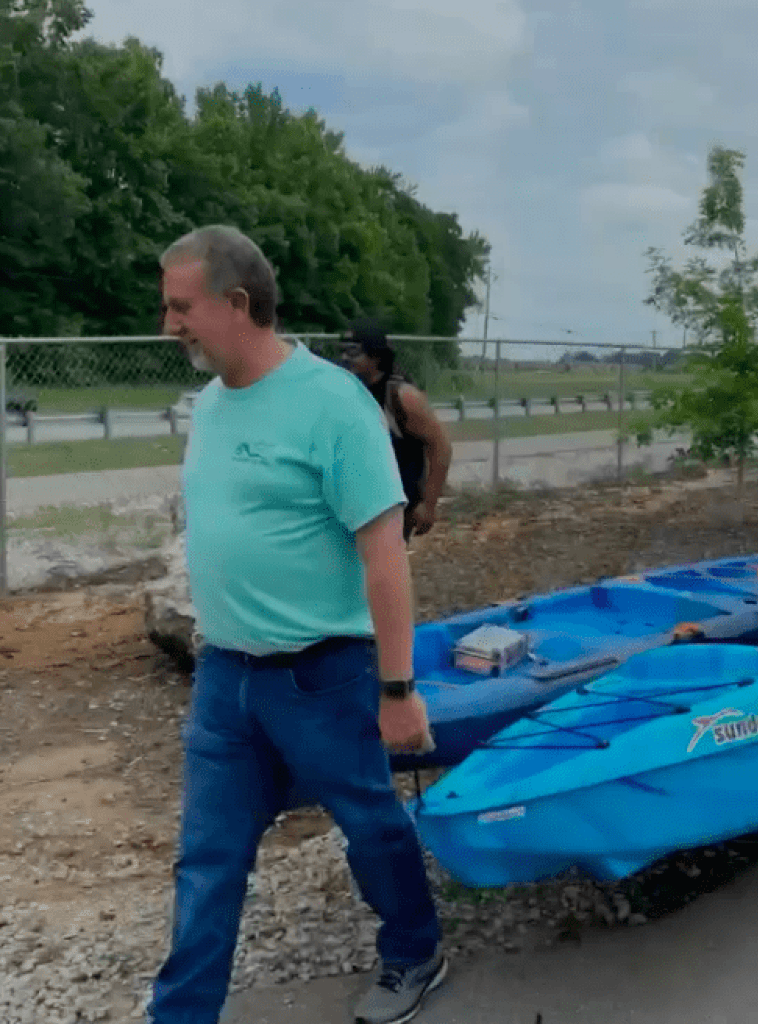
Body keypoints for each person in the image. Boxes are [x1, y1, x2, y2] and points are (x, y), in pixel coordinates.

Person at [148, 225, 446, 1024]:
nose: (168, 323)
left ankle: (415, 948)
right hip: (225, 677)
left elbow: (385, 558)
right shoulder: (211, 404)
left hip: (325, 675)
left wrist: (397, 690)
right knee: (208, 859)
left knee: (371, 825)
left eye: (181, 306)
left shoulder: (331, 405)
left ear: (237, 303)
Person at [345, 320, 453, 542]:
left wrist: (429, 504)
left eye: (354, 352)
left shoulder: (402, 396)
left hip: (394, 508)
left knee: (378, 572)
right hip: (359, 503)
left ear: (375, 356)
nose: (346, 358)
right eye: (344, 351)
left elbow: (441, 445)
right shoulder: (352, 389)